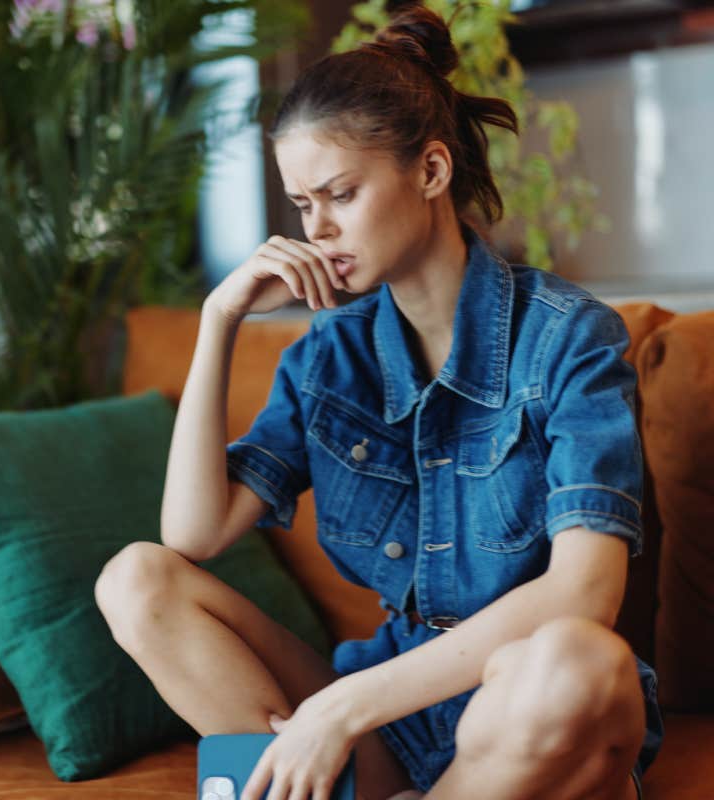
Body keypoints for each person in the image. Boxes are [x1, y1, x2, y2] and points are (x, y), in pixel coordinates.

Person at [94, 4, 663, 799]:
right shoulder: (328, 354)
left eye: (340, 193)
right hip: (394, 710)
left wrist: (342, 706)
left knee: (579, 660)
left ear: (430, 172)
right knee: (136, 580)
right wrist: (218, 320)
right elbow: (191, 534)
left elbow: (585, 592)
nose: (317, 228)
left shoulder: (570, 340)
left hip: (522, 707)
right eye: (302, 205)